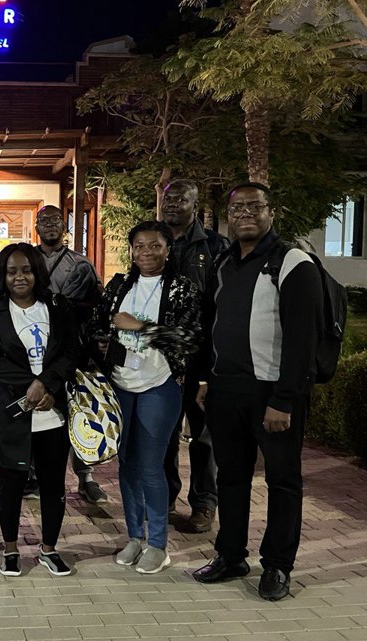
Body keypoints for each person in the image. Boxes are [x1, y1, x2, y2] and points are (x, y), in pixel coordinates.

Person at [191, 183, 323, 601]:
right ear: (229, 216)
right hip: (226, 390)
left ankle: (279, 566)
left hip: (273, 393)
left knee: (283, 480)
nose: (246, 213)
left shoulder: (292, 263)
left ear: (272, 211)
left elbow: (304, 340)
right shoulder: (225, 263)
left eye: (255, 206)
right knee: (231, 477)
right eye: (238, 208)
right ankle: (230, 555)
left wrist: (284, 399)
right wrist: (206, 381)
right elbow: (211, 326)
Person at [91, 220, 201, 575]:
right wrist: (105, 341)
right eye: (139, 246)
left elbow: (188, 339)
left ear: (168, 249)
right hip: (121, 384)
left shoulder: (182, 288)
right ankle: (135, 537)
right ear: (131, 250)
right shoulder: (120, 284)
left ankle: (158, 545)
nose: (147, 253)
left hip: (159, 384)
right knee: (127, 464)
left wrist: (139, 328)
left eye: (155, 246)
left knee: (152, 466)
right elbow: (97, 323)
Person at [0, 243, 81, 577]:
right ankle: (10, 550)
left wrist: (49, 384)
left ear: (37, 271)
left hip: (53, 412)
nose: (19, 277)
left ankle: (49, 550)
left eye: (26, 270)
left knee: (53, 484)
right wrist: (33, 386)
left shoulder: (57, 306)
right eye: (11, 271)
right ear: (2, 276)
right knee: (11, 482)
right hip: (13, 411)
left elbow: (71, 351)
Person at [160, 180, 229, 533]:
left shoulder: (215, 246)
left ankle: (204, 503)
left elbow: (223, 306)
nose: (172, 204)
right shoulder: (154, 241)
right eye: (167, 198)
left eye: (181, 199)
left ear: (195, 203)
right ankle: (166, 497)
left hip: (202, 358)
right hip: (163, 358)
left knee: (203, 436)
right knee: (166, 433)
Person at [33, 205, 105, 504]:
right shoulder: (28, 259)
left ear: (65, 226)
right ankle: (34, 473)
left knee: (80, 411)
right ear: (36, 227)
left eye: (55, 220)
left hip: (73, 350)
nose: (50, 225)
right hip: (36, 349)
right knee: (37, 408)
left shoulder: (81, 264)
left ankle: (85, 476)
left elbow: (98, 305)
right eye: (44, 220)